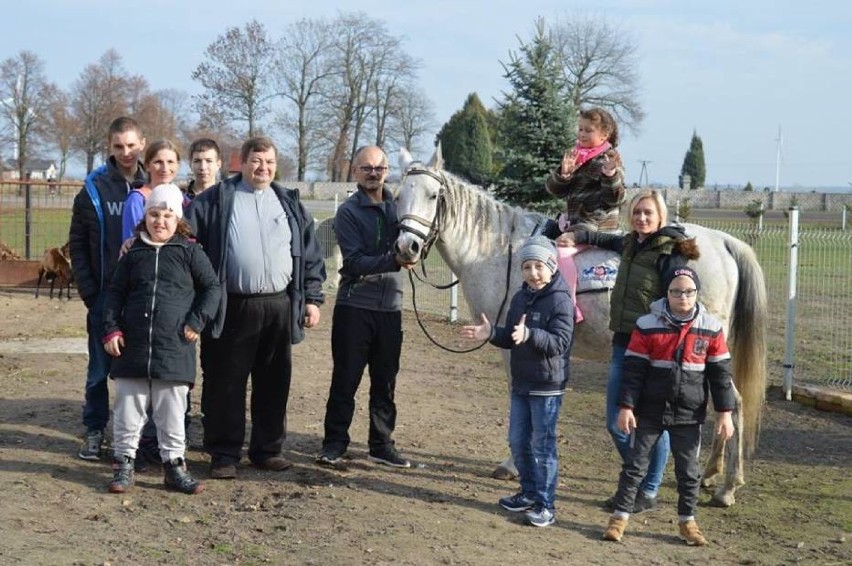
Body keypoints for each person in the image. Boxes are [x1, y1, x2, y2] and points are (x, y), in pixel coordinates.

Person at [185, 136, 326, 480]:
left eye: (269, 162)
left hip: (279, 306)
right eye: (256, 161)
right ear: (241, 163)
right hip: (232, 305)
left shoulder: (289, 202)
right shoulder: (215, 201)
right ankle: (223, 454)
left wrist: (312, 297)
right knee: (225, 382)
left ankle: (267, 450)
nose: (263, 168)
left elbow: (309, 254)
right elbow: (187, 243)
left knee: (274, 381)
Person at [559, 190, 699, 512]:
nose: (642, 218)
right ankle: (646, 478)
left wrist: (666, 340)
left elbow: (682, 299)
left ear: (661, 216)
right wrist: (578, 235)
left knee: (650, 423)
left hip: (654, 351)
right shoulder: (630, 243)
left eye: (648, 213)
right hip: (623, 345)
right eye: (637, 212)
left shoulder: (670, 253)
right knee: (615, 422)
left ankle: (646, 489)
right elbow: (602, 238)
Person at [602, 266, 735, 546]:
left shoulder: (711, 328)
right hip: (649, 411)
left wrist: (725, 413)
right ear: (667, 293)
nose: (682, 297)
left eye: (689, 291)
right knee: (635, 466)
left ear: (697, 293)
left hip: (689, 415)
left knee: (688, 472)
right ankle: (619, 518)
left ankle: (688, 522)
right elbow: (633, 371)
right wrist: (626, 407)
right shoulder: (646, 325)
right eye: (676, 291)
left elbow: (721, 376)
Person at [102, 184, 220, 495]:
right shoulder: (133, 254)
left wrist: (197, 320)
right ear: (146, 216)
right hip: (133, 347)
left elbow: (212, 288)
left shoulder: (190, 252)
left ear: (177, 219)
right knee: (128, 407)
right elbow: (114, 294)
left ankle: (174, 466)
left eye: (168, 215)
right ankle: (124, 463)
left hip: (174, 347)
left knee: (172, 411)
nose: (160, 221)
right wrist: (112, 329)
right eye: (154, 214)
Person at [460, 236, 574, 528]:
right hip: (521, 383)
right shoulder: (520, 297)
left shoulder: (561, 299)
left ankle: (546, 506)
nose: (533, 273)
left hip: (547, 386)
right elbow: (512, 335)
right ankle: (528, 491)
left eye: (539, 266)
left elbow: (560, 341)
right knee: (517, 441)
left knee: (543, 446)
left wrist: (531, 335)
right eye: (527, 267)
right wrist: (491, 334)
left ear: (551, 266)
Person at [316, 146, 415, 469]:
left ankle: (381, 444)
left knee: (386, 381)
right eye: (367, 168)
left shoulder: (400, 208)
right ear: (355, 172)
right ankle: (334, 443)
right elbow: (355, 261)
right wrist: (395, 261)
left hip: (391, 307)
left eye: (380, 168)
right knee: (346, 379)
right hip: (354, 306)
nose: (374, 173)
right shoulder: (348, 212)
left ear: (388, 170)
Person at [69, 116, 148, 461]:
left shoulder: (156, 182)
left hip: (143, 295)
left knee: (145, 368)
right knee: (100, 369)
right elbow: (78, 245)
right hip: (104, 295)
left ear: (142, 143)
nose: (126, 152)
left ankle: (148, 434)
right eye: (119, 146)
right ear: (110, 146)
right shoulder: (93, 188)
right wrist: (90, 293)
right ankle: (94, 429)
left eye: (131, 145)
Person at [543, 107, 626, 322]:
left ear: (604, 135)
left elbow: (615, 199)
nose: (581, 134)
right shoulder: (577, 156)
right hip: (575, 222)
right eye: (580, 129)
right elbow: (554, 190)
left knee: (560, 254)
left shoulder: (608, 160)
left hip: (596, 225)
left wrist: (610, 175)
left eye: (588, 130)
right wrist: (564, 173)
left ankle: (568, 307)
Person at [122, 140, 180, 241]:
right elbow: (131, 241)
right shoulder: (137, 200)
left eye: (170, 162)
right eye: (158, 162)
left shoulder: (182, 199)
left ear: (177, 165)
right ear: (147, 166)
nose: (165, 168)